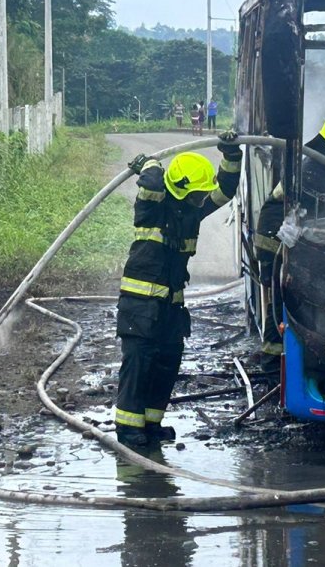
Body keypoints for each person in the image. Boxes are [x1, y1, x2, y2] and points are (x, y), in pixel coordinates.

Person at [115, 131, 243, 446]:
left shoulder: (192, 211)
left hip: (171, 307)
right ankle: (129, 429)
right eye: (197, 194)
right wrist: (150, 163)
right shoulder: (152, 208)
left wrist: (231, 156)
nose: (202, 199)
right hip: (141, 306)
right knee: (139, 366)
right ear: (181, 188)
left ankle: (151, 424)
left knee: (167, 363)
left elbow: (225, 190)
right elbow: (153, 183)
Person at [252, 108, 325, 374]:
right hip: (278, 237)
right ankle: (273, 363)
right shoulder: (313, 168)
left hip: (290, 234)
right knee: (282, 296)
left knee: (286, 295)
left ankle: (281, 356)